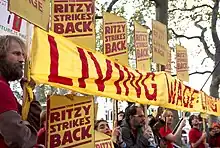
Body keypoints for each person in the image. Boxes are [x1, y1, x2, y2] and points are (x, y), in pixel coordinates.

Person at [0, 35, 41, 148]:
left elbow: (32, 124)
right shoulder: (1, 88)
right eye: (16, 54)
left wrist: (29, 94)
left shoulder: (5, 87)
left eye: (23, 55)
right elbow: (21, 139)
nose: (22, 60)